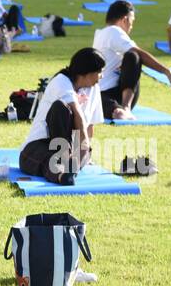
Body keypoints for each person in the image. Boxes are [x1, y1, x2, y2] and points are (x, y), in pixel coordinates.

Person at [17, 47, 106, 185]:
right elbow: (78, 115)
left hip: (74, 150)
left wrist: (85, 152)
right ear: (87, 73)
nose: (102, 76)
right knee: (61, 107)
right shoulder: (61, 81)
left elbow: (90, 126)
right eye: (100, 72)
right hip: (42, 144)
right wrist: (83, 146)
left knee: (76, 155)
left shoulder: (94, 89)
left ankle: (67, 168)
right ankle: (63, 174)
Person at [93, 0, 171, 120]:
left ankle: (119, 110)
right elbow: (140, 54)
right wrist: (167, 72)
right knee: (134, 56)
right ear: (125, 20)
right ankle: (124, 108)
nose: (131, 27)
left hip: (103, 93)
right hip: (111, 93)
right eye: (132, 22)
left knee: (131, 56)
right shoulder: (114, 31)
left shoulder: (100, 33)